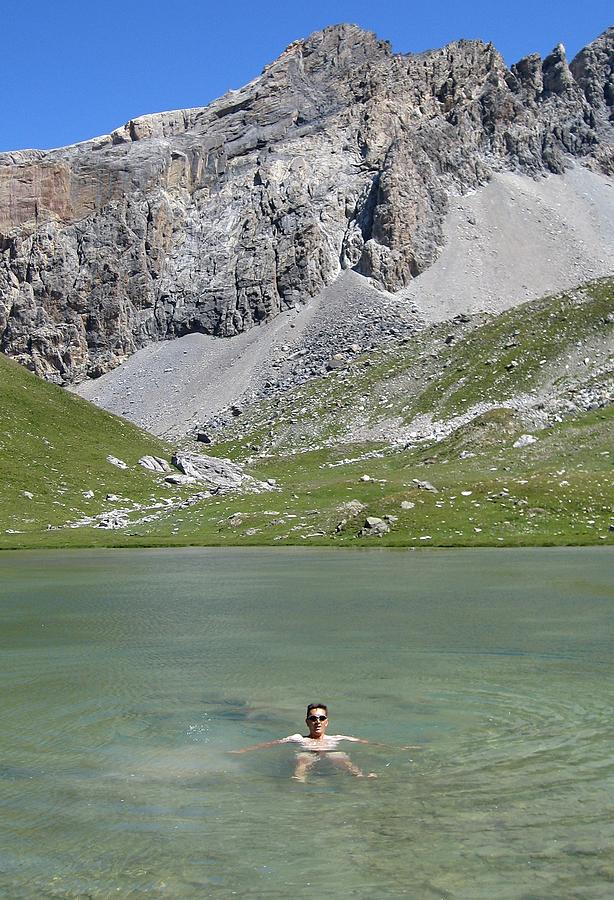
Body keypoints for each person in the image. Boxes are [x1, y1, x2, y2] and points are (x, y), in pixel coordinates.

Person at [230, 702, 418, 782]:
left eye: (321, 718)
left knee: (339, 755)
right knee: (304, 757)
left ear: (327, 721)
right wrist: (242, 752)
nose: (317, 722)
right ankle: (299, 779)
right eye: (313, 719)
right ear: (307, 722)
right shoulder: (297, 738)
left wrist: (399, 748)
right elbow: (268, 745)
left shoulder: (336, 738)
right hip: (308, 754)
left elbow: (368, 743)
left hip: (330, 753)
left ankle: (359, 776)